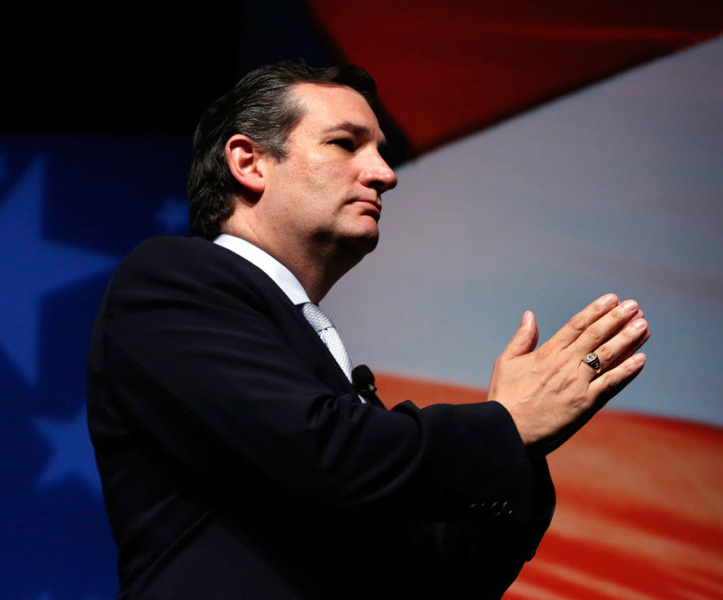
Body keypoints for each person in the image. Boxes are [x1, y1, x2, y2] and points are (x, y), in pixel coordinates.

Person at [87, 61, 649, 599]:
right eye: (345, 143)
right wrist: (505, 426)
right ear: (249, 161)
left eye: (381, 150)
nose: (385, 173)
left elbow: (444, 577)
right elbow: (322, 454)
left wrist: (524, 444)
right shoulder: (173, 280)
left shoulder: (318, 365)